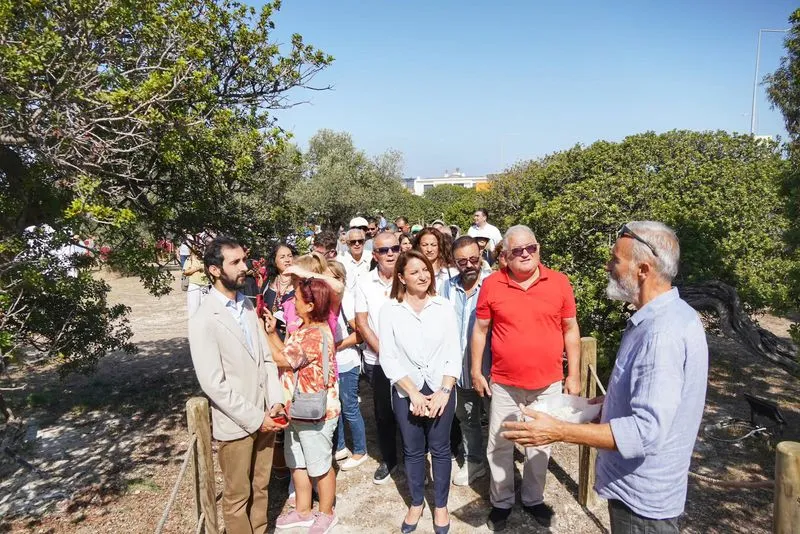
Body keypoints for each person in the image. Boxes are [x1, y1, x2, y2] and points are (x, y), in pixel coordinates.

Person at [502, 221, 707, 534]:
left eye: (615, 260)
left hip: (642, 502)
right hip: (641, 494)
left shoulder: (660, 334)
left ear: (643, 269)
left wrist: (559, 431)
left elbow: (644, 433)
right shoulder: (670, 316)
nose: (608, 266)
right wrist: (608, 404)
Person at [471, 225, 581, 531]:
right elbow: (480, 330)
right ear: (504, 256)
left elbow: (570, 328)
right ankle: (501, 502)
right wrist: (475, 370)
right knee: (500, 444)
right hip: (505, 383)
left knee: (539, 445)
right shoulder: (492, 284)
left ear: (539, 248)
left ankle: (533, 499)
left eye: (530, 248)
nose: (525, 254)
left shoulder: (559, 283)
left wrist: (573, 374)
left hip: (548, 384)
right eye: (517, 250)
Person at [188, 236, 287, 534]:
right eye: (235, 262)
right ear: (214, 270)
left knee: (261, 487)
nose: (245, 267)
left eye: (243, 260)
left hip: (266, 415)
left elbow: (267, 360)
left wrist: (275, 400)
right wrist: (258, 419)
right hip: (238, 425)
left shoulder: (246, 304)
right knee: (236, 496)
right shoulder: (203, 318)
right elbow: (213, 384)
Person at [378, 250, 461, 534]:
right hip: (406, 391)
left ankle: (440, 504)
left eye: (425, 270)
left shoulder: (443, 306)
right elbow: (388, 357)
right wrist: (412, 393)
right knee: (413, 451)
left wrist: (444, 390)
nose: (422, 275)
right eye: (414, 272)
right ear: (401, 277)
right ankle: (416, 502)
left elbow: (453, 352)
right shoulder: (389, 310)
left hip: (441, 388)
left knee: (440, 449)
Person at [264, 277, 341, 534]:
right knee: (297, 461)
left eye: (296, 298)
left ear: (309, 305)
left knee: (319, 466)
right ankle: (303, 510)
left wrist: (258, 334)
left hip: (315, 413)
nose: (292, 302)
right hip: (298, 410)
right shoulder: (304, 330)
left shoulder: (313, 335)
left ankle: (326, 514)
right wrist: (272, 332)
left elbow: (280, 359)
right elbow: (286, 353)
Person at [440, 236, 492, 486]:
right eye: (462, 261)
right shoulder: (447, 288)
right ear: (454, 262)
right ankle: (474, 461)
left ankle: (501, 467)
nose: (469, 265)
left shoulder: (494, 285)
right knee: (467, 418)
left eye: (473, 259)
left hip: (492, 369)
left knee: (498, 420)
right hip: (459, 369)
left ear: (481, 255)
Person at [355, 231, 402, 484]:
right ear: (375, 255)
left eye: (394, 248)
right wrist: (385, 353)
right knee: (383, 413)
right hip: (378, 360)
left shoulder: (409, 278)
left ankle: (414, 457)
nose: (390, 253)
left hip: (409, 360)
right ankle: (390, 459)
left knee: (410, 410)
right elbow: (362, 323)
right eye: (384, 250)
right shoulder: (364, 283)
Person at [327, 261, 368, 471]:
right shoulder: (327, 299)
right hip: (333, 362)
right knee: (337, 406)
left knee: (350, 406)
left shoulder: (348, 299)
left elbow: (360, 333)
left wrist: (336, 345)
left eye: (334, 277)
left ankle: (361, 450)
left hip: (347, 361)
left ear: (342, 280)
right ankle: (340, 445)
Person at [260, 242, 296, 341]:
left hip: (292, 339)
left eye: (290, 256)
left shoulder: (299, 283)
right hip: (270, 337)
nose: (287, 260)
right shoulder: (268, 282)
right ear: (274, 261)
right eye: (282, 257)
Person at [413, 227, 457, 293]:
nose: (429, 250)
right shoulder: (412, 273)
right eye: (424, 245)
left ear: (439, 246)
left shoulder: (452, 273)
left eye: (433, 245)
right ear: (418, 246)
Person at [183, 246, 209, 317]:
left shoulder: (206, 259)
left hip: (205, 285)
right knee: (193, 308)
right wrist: (197, 268)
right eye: (197, 250)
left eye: (200, 250)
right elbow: (185, 272)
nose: (199, 252)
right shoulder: (189, 259)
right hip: (194, 285)